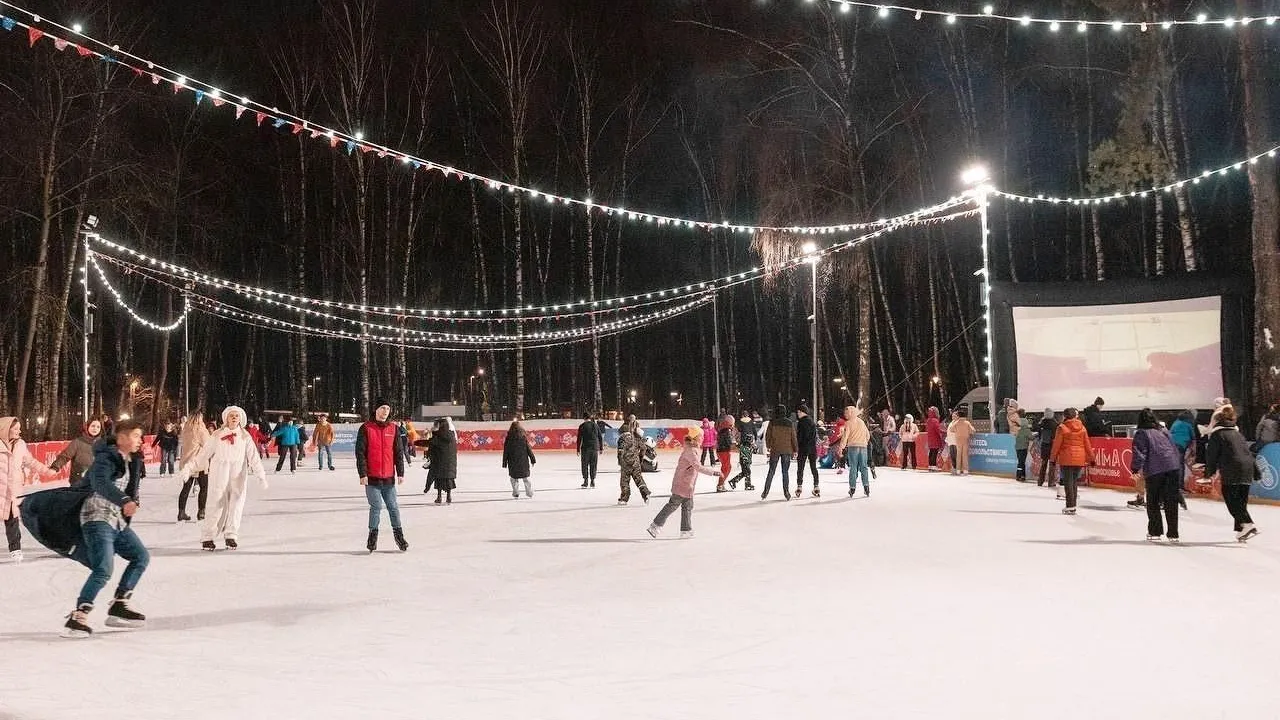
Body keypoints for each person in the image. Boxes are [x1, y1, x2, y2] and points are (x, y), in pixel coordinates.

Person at [61, 419, 149, 638]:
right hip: (96, 517)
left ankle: (119, 605)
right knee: (104, 569)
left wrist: (131, 501)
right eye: (136, 435)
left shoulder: (131, 460)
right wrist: (124, 500)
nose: (140, 440)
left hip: (115, 520)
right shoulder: (105, 458)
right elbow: (100, 483)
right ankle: (78, 616)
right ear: (121, 437)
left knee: (140, 556)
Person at [175, 406, 268, 551]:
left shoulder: (245, 436)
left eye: (237, 415)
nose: (234, 418)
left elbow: (254, 457)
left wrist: (261, 475)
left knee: (236, 504)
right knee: (215, 504)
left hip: (238, 474)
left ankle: (231, 535)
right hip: (219, 473)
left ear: (241, 418)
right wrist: (189, 468)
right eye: (231, 415)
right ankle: (208, 537)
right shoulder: (217, 435)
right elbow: (203, 455)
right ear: (226, 418)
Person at [1, 416, 57, 563]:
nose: (19, 431)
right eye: (16, 428)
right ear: (6, 429)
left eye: (19, 428)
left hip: (12, 491)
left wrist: (47, 471)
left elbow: (31, 461)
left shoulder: (20, 445)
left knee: (12, 521)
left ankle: (16, 550)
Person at [355, 399, 408, 553]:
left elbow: (398, 452)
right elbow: (360, 453)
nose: (385, 411)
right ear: (376, 410)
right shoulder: (366, 428)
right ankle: (372, 536)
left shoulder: (394, 428)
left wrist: (401, 473)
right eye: (382, 408)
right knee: (376, 507)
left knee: (393, 507)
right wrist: (362, 473)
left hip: (389, 478)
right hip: (371, 478)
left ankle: (399, 536)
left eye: (388, 408)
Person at [647, 428, 720, 539]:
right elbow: (697, 467)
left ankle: (686, 530)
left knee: (687, 506)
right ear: (695, 438)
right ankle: (655, 525)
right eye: (701, 436)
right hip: (682, 484)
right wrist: (713, 472)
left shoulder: (693, 449)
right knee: (673, 505)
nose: (703, 438)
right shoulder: (690, 451)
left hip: (688, 485)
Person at [1205, 405, 1259, 542]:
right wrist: (1256, 471)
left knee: (1230, 498)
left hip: (1232, 468)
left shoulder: (1218, 434)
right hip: (1246, 469)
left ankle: (1247, 523)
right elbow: (1248, 453)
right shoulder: (1238, 434)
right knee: (1241, 500)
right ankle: (1242, 530)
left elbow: (1211, 455)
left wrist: (1208, 473)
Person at [1130, 408, 1183, 543]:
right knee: (1171, 502)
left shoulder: (1141, 433)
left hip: (1155, 469)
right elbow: (1174, 449)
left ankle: (1155, 531)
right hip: (1172, 467)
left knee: (1153, 501)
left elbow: (1140, 452)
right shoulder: (1164, 431)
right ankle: (1173, 534)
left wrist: (1135, 469)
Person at [1049, 408, 1094, 515]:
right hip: (1079, 459)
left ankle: (1070, 506)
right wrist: (1092, 459)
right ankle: (1072, 505)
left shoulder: (1061, 427)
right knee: (1074, 482)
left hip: (1067, 458)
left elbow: (1056, 445)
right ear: (1075, 416)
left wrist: (1052, 459)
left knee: (1068, 482)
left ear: (1065, 416)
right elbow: (1087, 445)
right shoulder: (1082, 428)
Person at [177, 413, 211, 522]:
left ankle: (181, 512)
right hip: (199, 462)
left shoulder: (185, 429)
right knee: (204, 488)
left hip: (187, 462)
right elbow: (207, 444)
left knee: (186, 488)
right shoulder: (200, 430)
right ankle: (201, 511)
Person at [50, 419, 103, 487]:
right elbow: (65, 456)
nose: (95, 428)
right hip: (79, 481)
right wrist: (55, 467)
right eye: (93, 426)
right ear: (87, 427)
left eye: (98, 427)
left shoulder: (103, 444)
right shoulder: (77, 442)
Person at [761, 404, 798, 501]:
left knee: (771, 471)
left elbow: (767, 436)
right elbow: (793, 437)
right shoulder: (789, 423)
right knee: (785, 472)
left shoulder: (772, 422)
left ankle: (765, 492)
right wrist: (795, 449)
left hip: (775, 449)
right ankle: (786, 492)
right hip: (787, 450)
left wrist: (769, 446)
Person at [837, 405, 871, 498]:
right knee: (864, 467)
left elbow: (845, 437)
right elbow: (868, 435)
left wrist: (841, 448)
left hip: (853, 447)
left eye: (847, 413)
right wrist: (864, 442)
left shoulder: (848, 423)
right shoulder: (862, 422)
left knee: (853, 468)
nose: (845, 414)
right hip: (863, 447)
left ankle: (852, 488)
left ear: (851, 413)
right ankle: (866, 487)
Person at [616, 420, 651, 505]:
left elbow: (620, 451)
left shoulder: (621, 438)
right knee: (639, 480)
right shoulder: (636, 437)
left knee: (624, 481)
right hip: (635, 463)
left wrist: (620, 462)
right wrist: (640, 457)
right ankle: (645, 494)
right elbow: (644, 448)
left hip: (626, 464)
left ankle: (624, 499)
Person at [424, 417, 458, 504]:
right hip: (450, 462)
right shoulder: (452, 435)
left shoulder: (437, 436)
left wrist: (428, 457)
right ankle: (449, 497)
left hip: (439, 462)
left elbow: (431, 447)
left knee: (439, 480)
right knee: (448, 479)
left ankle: (439, 497)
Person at [502, 420, 537, 498]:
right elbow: (529, 449)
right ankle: (529, 492)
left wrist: (504, 463)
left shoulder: (508, 438)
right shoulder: (523, 437)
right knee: (525, 478)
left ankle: (516, 492)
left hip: (512, 462)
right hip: (523, 461)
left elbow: (506, 451)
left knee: (514, 478)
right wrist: (532, 459)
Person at [794, 405, 819, 497]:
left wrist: (797, 447)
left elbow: (800, 436)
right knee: (814, 468)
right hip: (812, 448)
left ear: (803, 412)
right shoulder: (812, 421)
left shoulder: (801, 422)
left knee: (800, 468)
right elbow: (814, 435)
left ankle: (799, 486)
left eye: (799, 412)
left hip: (803, 447)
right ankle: (816, 486)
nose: (798, 414)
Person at [728, 413, 756, 491]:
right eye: (750, 440)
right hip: (745, 461)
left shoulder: (747, 446)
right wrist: (746, 461)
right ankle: (747, 485)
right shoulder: (745, 447)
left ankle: (733, 481)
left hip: (746, 461)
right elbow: (744, 455)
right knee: (747, 472)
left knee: (745, 473)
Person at [576, 412, 603, 488]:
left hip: (585, 448)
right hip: (594, 448)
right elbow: (600, 437)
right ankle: (592, 481)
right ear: (590, 418)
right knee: (593, 465)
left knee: (584, 465)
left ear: (584, 418)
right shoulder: (595, 425)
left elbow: (579, 439)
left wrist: (578, 449)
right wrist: (601, 448)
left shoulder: (582, 426)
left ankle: (585, 481)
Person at [1036, 409, 1059, 487]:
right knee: (1052, 464)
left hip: (1044, 445)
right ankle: (1051, 482)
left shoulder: (1041, 423)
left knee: (1043, 464)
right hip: (1052, 445)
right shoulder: (1055, 424)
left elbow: (1039, 434)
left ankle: (1040, 481)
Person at [950, 409, 975, 476]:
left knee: (958, 455)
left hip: (958, 440)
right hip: (965, 439)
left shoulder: (956, 423)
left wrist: (957, 431)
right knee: (965, 455)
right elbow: (972, 431)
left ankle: (958, 470)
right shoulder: (967, 423)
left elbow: (951, 429)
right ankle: (965, 470)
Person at [714, 413, 735, 491]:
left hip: (720, 450)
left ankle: (721, 484)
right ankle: (720, 485)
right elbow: (729, 441)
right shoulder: (727, 430)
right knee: (726, 468)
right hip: (724, 451)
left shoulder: (721, 428)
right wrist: (734, 444)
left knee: (725, 467)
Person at [1014, 410, 1032, 482]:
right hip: (1024, 447)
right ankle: (1020, 475)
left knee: (1020, 461)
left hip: (1017, 447)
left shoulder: (1017, 428)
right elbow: (1031, 437)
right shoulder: (1027, 430)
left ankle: (1021, 475)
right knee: (1022, 462)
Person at [925, 407, 944, 471]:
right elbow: (938, 430)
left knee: (931, 451)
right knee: (934, 452)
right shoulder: (935, 420)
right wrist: (944, 432)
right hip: (935, 438)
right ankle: (933, 466)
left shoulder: (928, 420)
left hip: (930, 438)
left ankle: (930, 466)